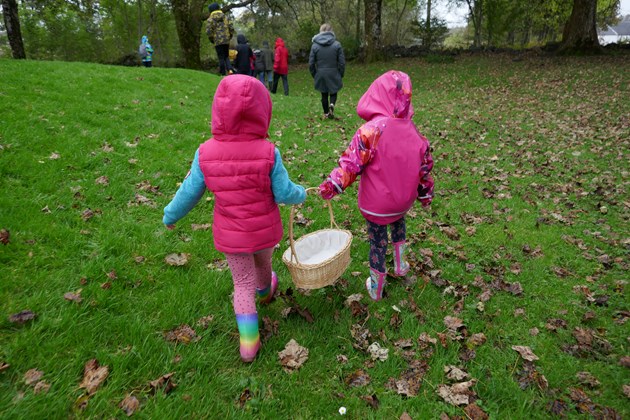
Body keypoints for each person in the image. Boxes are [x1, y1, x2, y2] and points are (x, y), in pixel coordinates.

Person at [163, 75, 306, 362]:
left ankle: (249, 343)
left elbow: (189, 191)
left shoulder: (205, 153)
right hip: (263, 230)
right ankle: (265, 293)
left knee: (241, 282)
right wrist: (300, 194)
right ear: (263, 112)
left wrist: (171, 214)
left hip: (232, 235)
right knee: (263, 264)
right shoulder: (269, 152)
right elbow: (283, 191)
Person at [318, 70, 434, 301]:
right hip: (402, 201)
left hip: (377, 203)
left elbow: (351, 165)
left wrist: (332, 185)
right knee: (399, 225)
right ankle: (401, 267)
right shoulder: (413, 131)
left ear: (377, 94)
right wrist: (425, 195)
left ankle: (376, 288)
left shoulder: (372, 131)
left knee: (378, 241)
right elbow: (424, 167)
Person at [309, 23, 345, 119]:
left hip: (320, 72)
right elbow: (342, 62)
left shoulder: (315, 46)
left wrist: (315, 74)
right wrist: (340, 74)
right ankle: (332, 104)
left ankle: (325, 113)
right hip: (334, 71)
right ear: (331, 31)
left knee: (324, 94)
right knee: (334, 91)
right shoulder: (337, 44)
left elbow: (311, 63)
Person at [206, 3, 234, 75]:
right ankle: (230, 70)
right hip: (226, 40)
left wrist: (212, 39)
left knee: (221, 57)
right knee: (226, 56)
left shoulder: (210, 19)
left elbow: (208, 31)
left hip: (217, 40)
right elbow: (231, 28)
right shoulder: (225, 17)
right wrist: (229, 36)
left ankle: (222, 73)